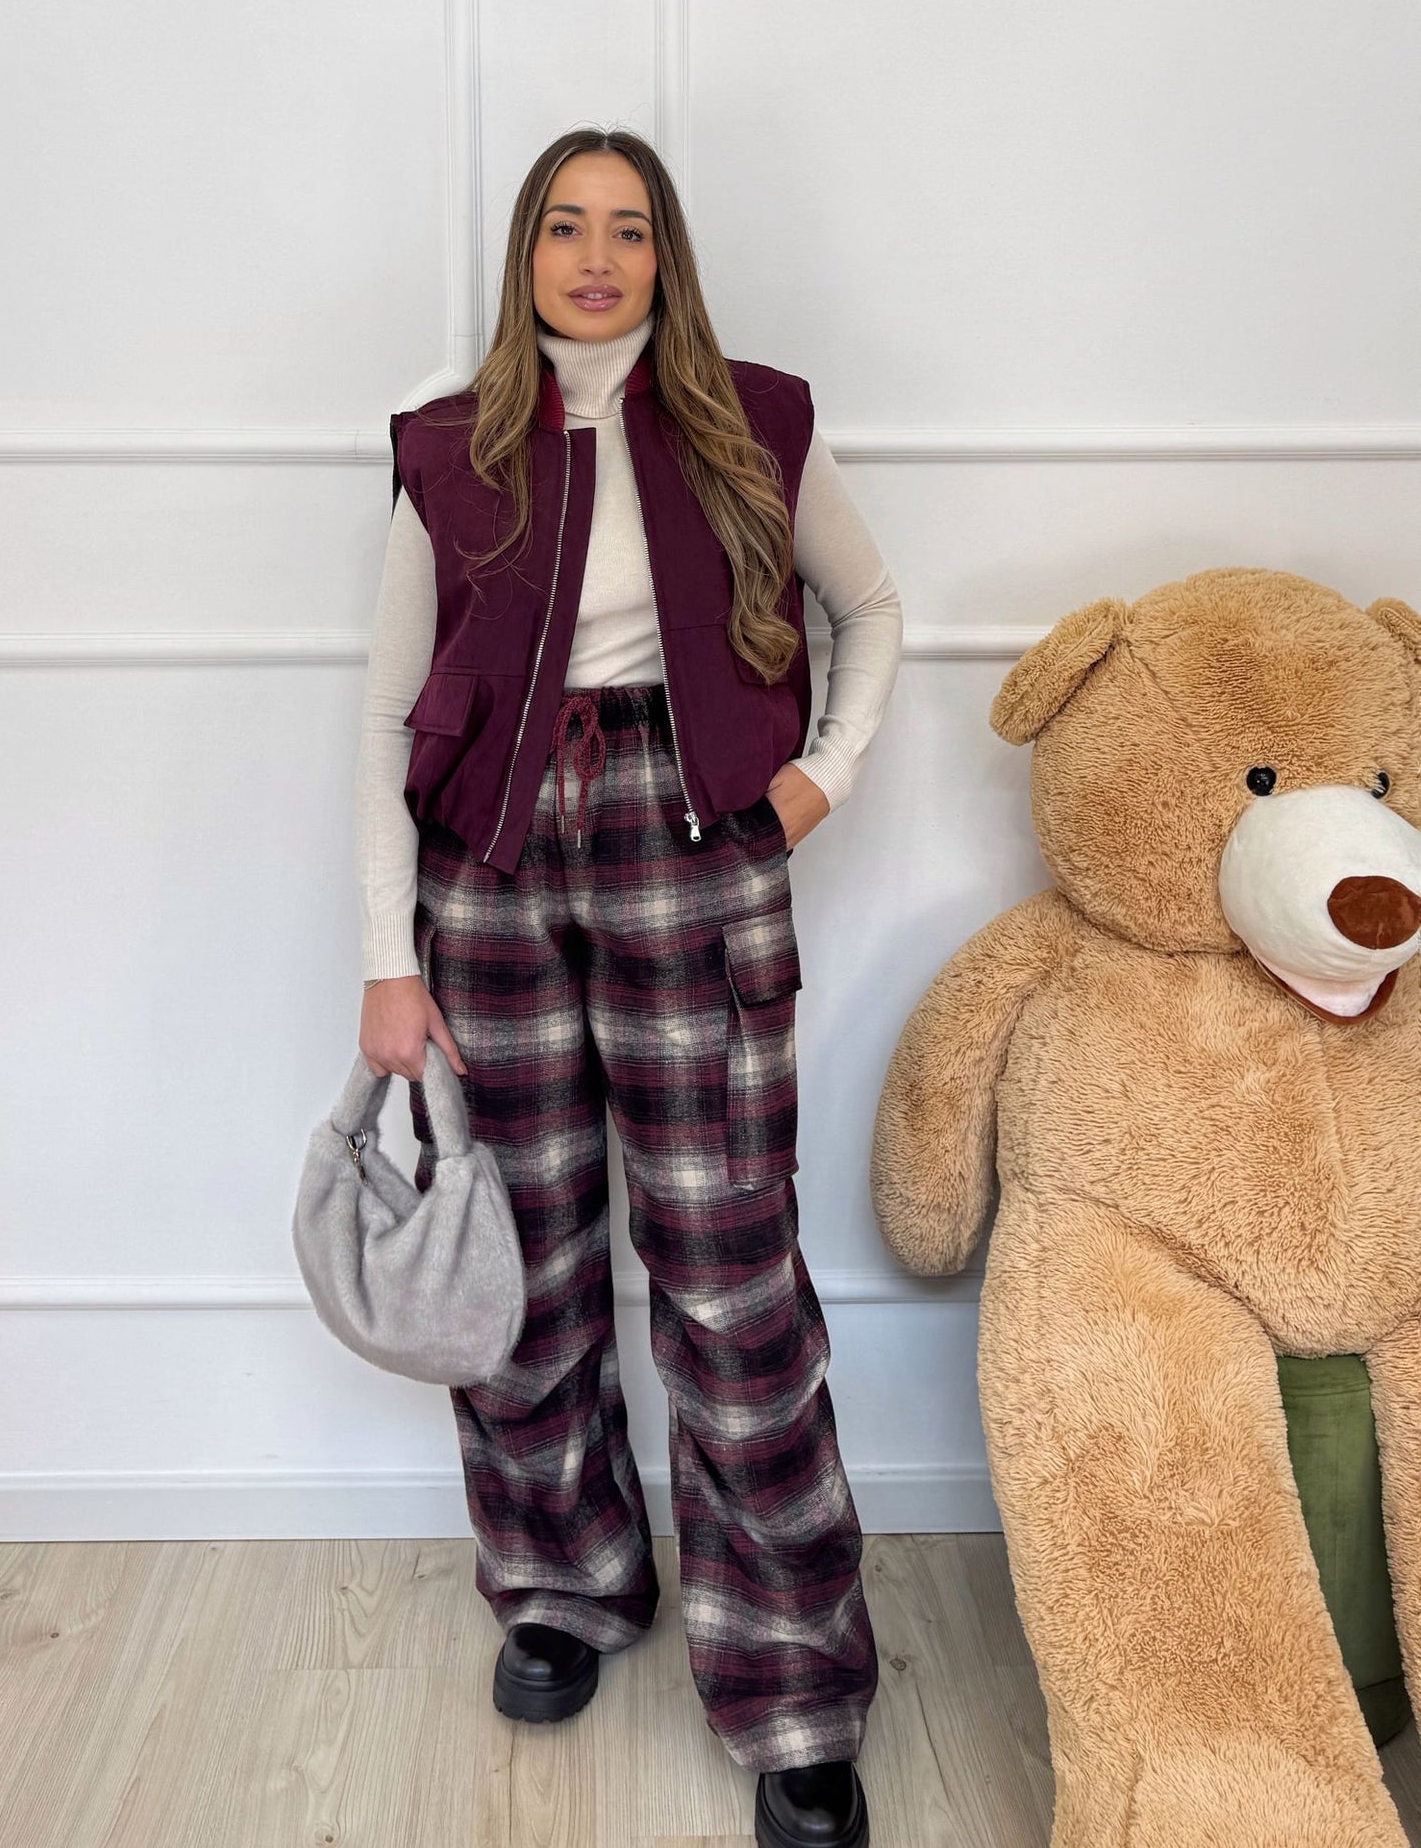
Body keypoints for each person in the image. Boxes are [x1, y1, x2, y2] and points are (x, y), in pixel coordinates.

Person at [354, 126, 903, 1848]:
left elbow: (874, 610)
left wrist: (815, 782)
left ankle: (794, 1688)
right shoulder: (451, 446)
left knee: (729, 1281)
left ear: (669, 258)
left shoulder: (753, 422)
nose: (597, 260)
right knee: (522, 1266)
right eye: (566, 228)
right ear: (525, 253)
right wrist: (387, 958)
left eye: (631, 231)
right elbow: (385, 714)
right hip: (490, 874)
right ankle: (563, 1584)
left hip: (693, 848)